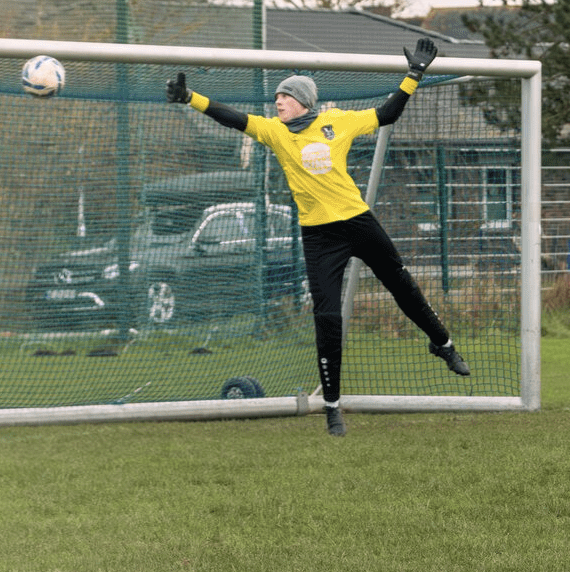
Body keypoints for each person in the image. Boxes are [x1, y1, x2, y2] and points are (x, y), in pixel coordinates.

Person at [165, 38, 471, 437]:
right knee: (326, 318)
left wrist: (413, 75)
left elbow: (387, 114)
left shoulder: (338, 121)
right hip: (319, 236)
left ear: (304, 101)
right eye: (277, 97)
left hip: (359, 221)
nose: (278, 102)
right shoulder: (275, 132)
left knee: (402, 285)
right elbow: (233, 117)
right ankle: (332, 406)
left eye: (286, 97)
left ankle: (443, 345)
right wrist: (191, 98)